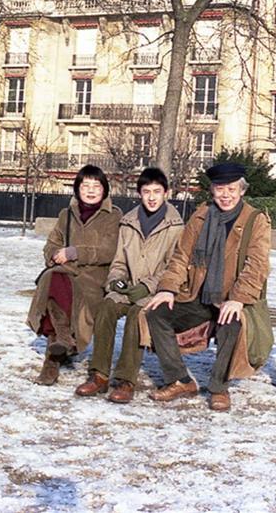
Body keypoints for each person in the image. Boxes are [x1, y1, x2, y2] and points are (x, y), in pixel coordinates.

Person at [144, 162, 273, 411]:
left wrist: (237, 298)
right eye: (220, 189)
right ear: (212, 190)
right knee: (156, 313)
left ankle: (218, 387)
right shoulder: (201, 215)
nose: (225, 195)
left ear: (242, 190)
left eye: (231, 189)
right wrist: (167, 288)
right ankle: (180, 380)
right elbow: (182, 256)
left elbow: (257, 266)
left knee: (231, 323)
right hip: (199, 294)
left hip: (235, 299)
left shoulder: (255, 220)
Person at [74, 167, 184, 403]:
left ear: (167, 193)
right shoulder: (128, 222)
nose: (152, 197)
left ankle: (126, 380)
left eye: (157, 191)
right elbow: (119, 260)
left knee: (137, 315)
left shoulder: (176, 226)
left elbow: (173, 265)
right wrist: (116, 280)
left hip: (155, 292)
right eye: (146, 192)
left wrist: (148, 285)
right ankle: (99, 374)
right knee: (106, 307)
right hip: (127, 287)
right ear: (139, 194)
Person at [26, 164, 122, 385]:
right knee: (54, 278)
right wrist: (55, 255)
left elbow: (110, 250)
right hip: (65, 272)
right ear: (77, 188)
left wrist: (76, 252)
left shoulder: (113, 216)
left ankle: (52, 362)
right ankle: (63, 339)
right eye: (85, 185)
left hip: (94, 279)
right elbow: (51, 244)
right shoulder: (66, 215)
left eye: (95, 186)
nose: (90, 190)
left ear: (104, 189)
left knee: (55, 282)